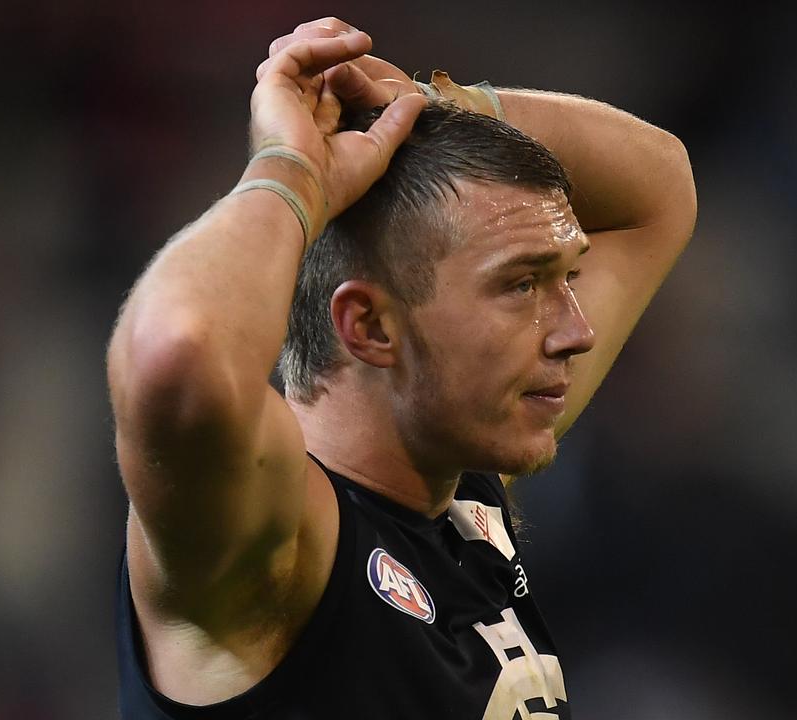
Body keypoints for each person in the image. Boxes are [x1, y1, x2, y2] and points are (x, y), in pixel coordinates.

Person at [107, 16, 696, 719]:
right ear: (371, 326)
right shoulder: (273, 547)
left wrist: (428, 106)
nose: (577, 330)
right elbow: (175, 352)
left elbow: (658, 189)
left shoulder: (454, 484)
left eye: (568, 277)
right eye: (522, 285)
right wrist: (290, 170)